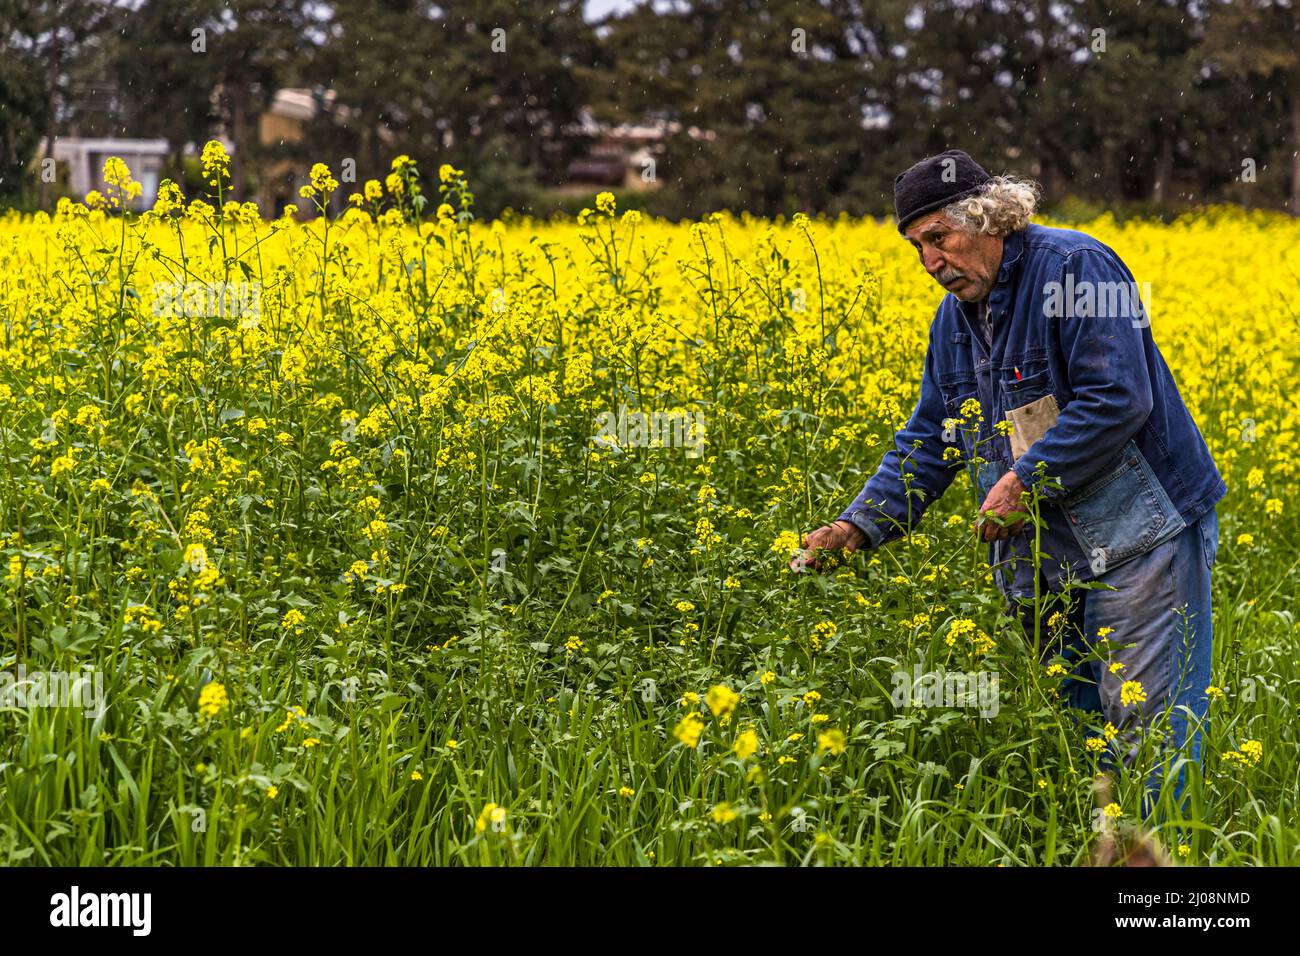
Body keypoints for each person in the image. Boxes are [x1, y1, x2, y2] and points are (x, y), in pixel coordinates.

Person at [797, 149, 1226, 814]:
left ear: (988, 217)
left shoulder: (1076, 267)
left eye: (939, 239)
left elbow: (1116, 396)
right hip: (1045, 553)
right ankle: (1107, 847)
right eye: (917, 247)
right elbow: (932, 435)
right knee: (1080, 727)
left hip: (1141, 532)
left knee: (1151, 724)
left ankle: (1167, 873)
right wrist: (858, 525)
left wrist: (1024, 482)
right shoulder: (956, 322)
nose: (931, 263)